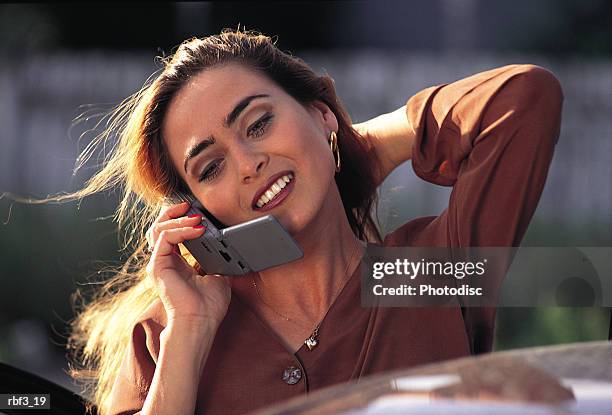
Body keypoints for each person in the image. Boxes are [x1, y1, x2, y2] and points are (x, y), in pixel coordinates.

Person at [60, 29, 563, 415]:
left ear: (320, 115)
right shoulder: (169, 333)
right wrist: (190, 333)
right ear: (196, 210)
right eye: (210, 167)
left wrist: (360, 145)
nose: (247, 163)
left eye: (259, 124)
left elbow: (524, 98)